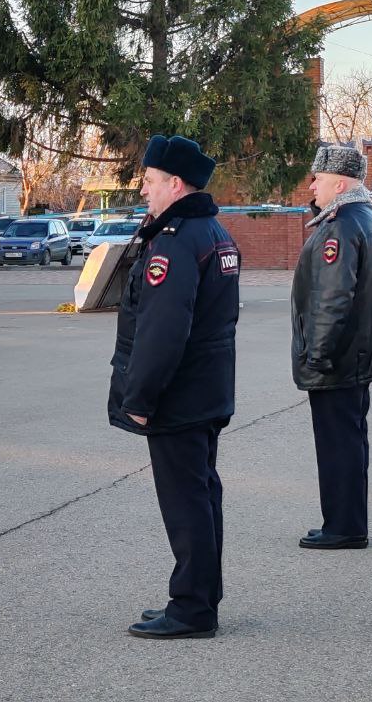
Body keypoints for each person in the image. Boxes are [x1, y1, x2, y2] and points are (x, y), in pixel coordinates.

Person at [107, 135, 239, 640]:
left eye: (149, 180)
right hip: (206, 392)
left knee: (187, 502)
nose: (143, 189)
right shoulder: (213, 232)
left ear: (175, 183)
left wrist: (139, 400)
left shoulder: (178, 241)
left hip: (180, 398)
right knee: (202, 497)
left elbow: (163, 331)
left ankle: (191, 610)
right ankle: (199, 598)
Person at [292, 144, 372, 550]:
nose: (311, 185)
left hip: (338, 357)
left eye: (317, 178)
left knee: (338, 445)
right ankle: (344, 520)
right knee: (350, 440)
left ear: (339, 182)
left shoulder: (340, 225)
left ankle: (345, 528)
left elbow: (333, 297)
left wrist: (318, 353)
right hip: (358, 353)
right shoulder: (369, 217)